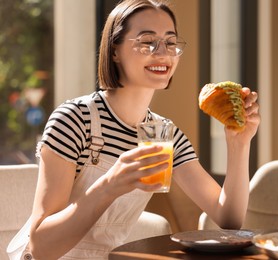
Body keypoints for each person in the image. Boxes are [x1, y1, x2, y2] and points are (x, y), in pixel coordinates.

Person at [27, 0, 260, 258]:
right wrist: (110, 185)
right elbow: (41, 248)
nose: (162, 53)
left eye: (170, 43)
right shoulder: (74, 119)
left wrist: (239, 144)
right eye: (147, 41)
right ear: (115, 50)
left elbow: (228, 218)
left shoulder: (165, 134)